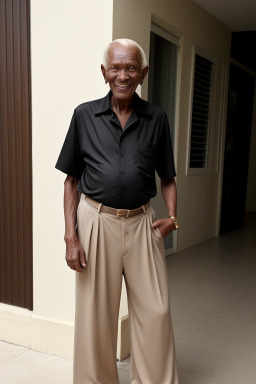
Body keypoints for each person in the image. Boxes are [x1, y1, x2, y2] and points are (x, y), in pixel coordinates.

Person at [56, 38, 179, 384]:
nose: (122, 75)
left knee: (156, 311)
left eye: (130, 68)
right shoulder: (84, 115)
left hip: (143, 224)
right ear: (104, 73)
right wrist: (71, 236)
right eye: (115, 67)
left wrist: (172, 216)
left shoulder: (156, 118)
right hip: (95, 221)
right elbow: (71, 181)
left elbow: (167, 177)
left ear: (143, 74)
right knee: (96, 318)